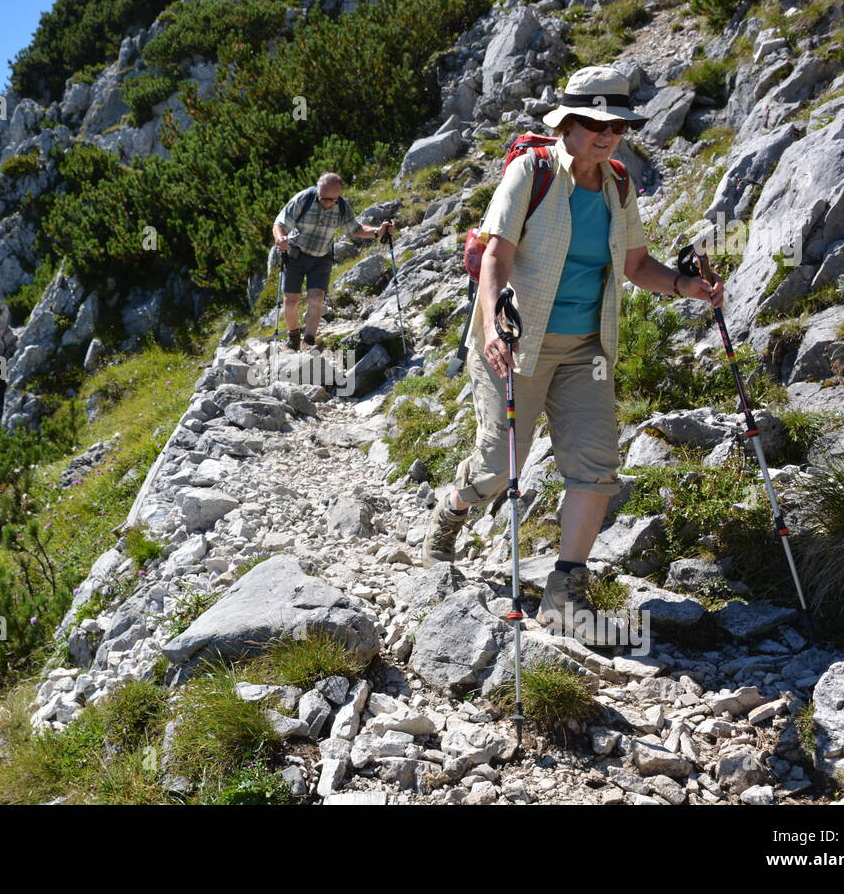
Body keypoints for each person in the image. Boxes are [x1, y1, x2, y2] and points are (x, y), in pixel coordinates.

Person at [419, 65, 726, 646]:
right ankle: (453, 508)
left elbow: (636, 266)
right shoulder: (530, 172)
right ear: (568, 124)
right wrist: (490, 320)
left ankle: (564, 591)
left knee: (596, 466)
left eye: (617, 124)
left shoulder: (618, 184)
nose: (606, 134)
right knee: (500, 467)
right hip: (514, 342)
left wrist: (689, 287)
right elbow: (495, 254)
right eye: (592, 122)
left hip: (587, 347)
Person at [272, 172, 395, 351]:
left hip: (322, 257)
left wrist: (378, 232)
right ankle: (293, 336)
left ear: (338, 195)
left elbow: (356, 229)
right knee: (291, 301)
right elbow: (279, 223)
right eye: (324, 199)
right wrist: (280, 238)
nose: (328, 204)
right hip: (295, 254)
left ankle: (310, 341)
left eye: (332, 200)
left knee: (316, 298)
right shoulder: (304, 199)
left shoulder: (342, 206)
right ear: (318, 190)